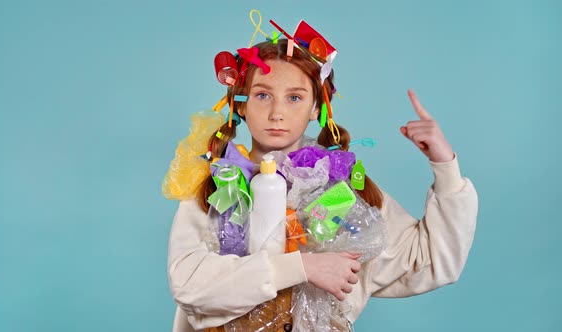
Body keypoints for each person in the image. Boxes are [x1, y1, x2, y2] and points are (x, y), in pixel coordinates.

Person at [164, 17, 478, 332]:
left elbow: (429, 262)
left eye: (295, 97)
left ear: (317, 107)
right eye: (262, 95)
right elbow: (189, 284)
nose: (277, 112)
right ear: (241, 105)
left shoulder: (341, 192)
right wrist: (300, 267)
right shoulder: (216, 187)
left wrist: (444, 164)